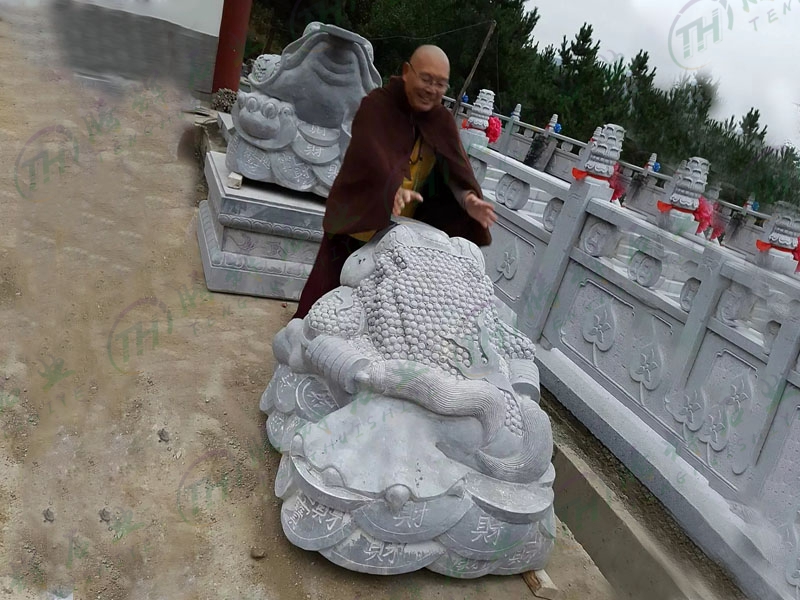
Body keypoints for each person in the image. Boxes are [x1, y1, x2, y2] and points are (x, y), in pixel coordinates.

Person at [293, 45, 497, 319]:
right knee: (327, 289)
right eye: (426, 79)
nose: (431, 89)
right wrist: (391, 188)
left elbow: (454, 173)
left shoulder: (442, 120)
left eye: (440, 84)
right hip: (359, 218)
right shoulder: (377, 104)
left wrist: (468, 200)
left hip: (404, 235)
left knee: (376, 308)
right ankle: (305, 333)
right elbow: (369, 155)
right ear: (406, 72)